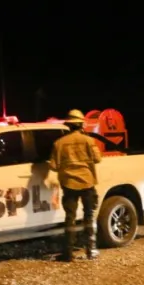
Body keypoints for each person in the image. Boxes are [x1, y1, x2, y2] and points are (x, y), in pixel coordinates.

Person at [48, 109, 103, 261]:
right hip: (87, 182)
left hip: (69, 184)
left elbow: (53, 166)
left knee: (70, 218)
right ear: (81, 125)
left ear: (69, 125)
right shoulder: (88, 141)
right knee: (89, 216)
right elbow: (98, 159)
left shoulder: (59, 143)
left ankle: (68, 253)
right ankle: (91, 251)